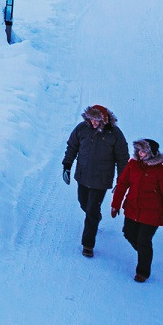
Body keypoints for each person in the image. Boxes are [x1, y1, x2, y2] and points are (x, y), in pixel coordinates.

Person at [62, 104, 129, 257]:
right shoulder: (82, 129)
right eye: (91, 119)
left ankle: (88, 244)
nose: (93, 122)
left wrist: (121, 180)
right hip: (83, 176)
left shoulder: (115, 134)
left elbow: (123, 158)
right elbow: (72, 146)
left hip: (101, 179)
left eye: (96, 120)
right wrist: (67, 165)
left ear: (104, 120)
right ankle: (96, 217)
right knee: (83, 202)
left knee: (91, 210)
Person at [111, 138, 163, 283]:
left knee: (143, 241)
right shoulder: (133, 165)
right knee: (128, 234)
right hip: (132, 209)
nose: (140, 153)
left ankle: (143, 271)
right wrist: (115, 204)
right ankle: (144, 254)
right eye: (139, 150)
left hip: (152, 214)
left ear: (152, 153)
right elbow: (122, 184)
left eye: (144, 151)